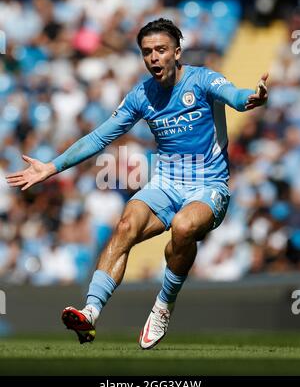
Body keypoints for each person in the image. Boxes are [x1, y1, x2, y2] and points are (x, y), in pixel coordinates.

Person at [6, 18, 268, 349]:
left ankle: (163, 305)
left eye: (161, 50)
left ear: (177, 51)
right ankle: (89, 313)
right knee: (126, 225)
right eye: (147, 52)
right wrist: (51, 167)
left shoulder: (202, 80)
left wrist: (251, 98)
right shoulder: (141, 95)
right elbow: (100, 137)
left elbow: (233, 95)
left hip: (208, 184)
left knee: (185, 228)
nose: (154, 58)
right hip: (166, 183)